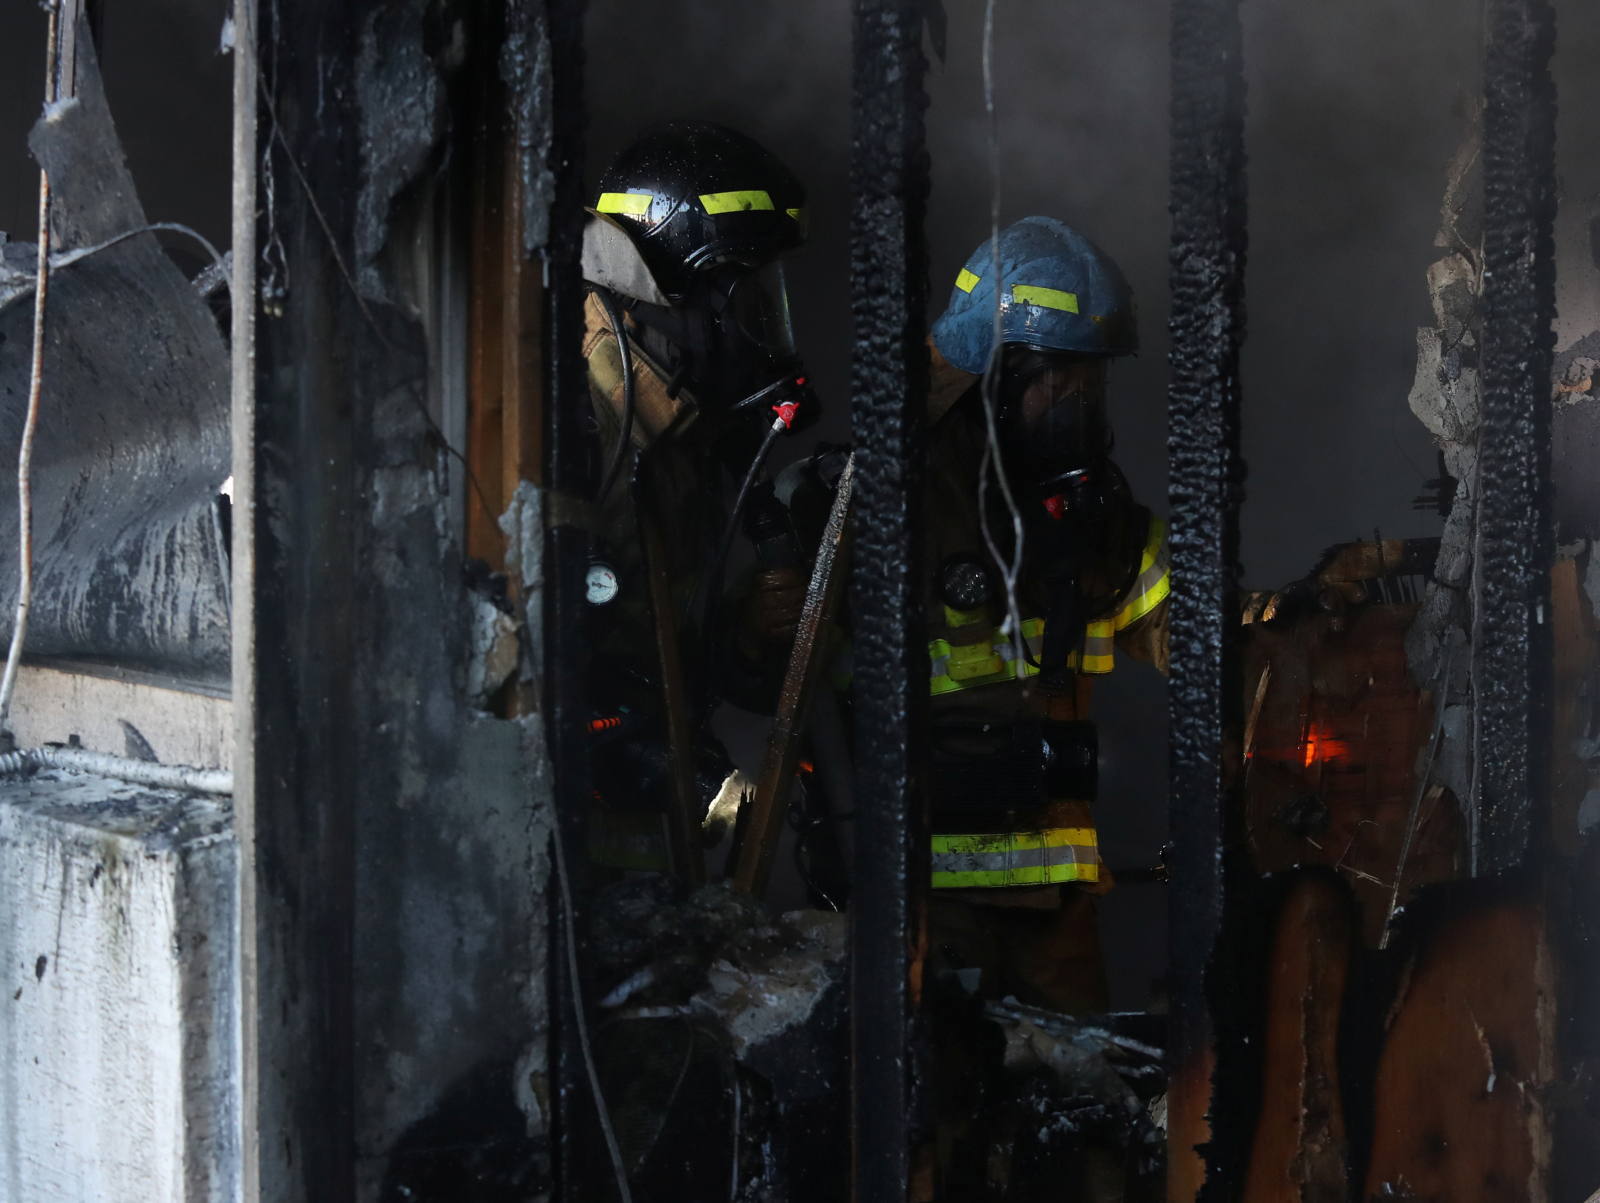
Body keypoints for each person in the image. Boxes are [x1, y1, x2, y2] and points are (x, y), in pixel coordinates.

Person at [918, 216, 1170, 1014]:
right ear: (992, 378)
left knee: (1080, 1104)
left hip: (1055, 914)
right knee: (939, 1112)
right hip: (920, 905)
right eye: (1056, 379)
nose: (1079, 405)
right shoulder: (892, 504)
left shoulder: (1104, 527)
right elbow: (780, 678)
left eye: (1091, 383)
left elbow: (1200, 638)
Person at [579, 121, 817, 873]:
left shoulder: (681, 436)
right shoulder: (575, 424)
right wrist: (688, 771)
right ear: (686, 291)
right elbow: (537, 682)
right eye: (753, 301)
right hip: (554, 880)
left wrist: (746, 633)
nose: (764, 330)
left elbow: (671, 657)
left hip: (648, 871)